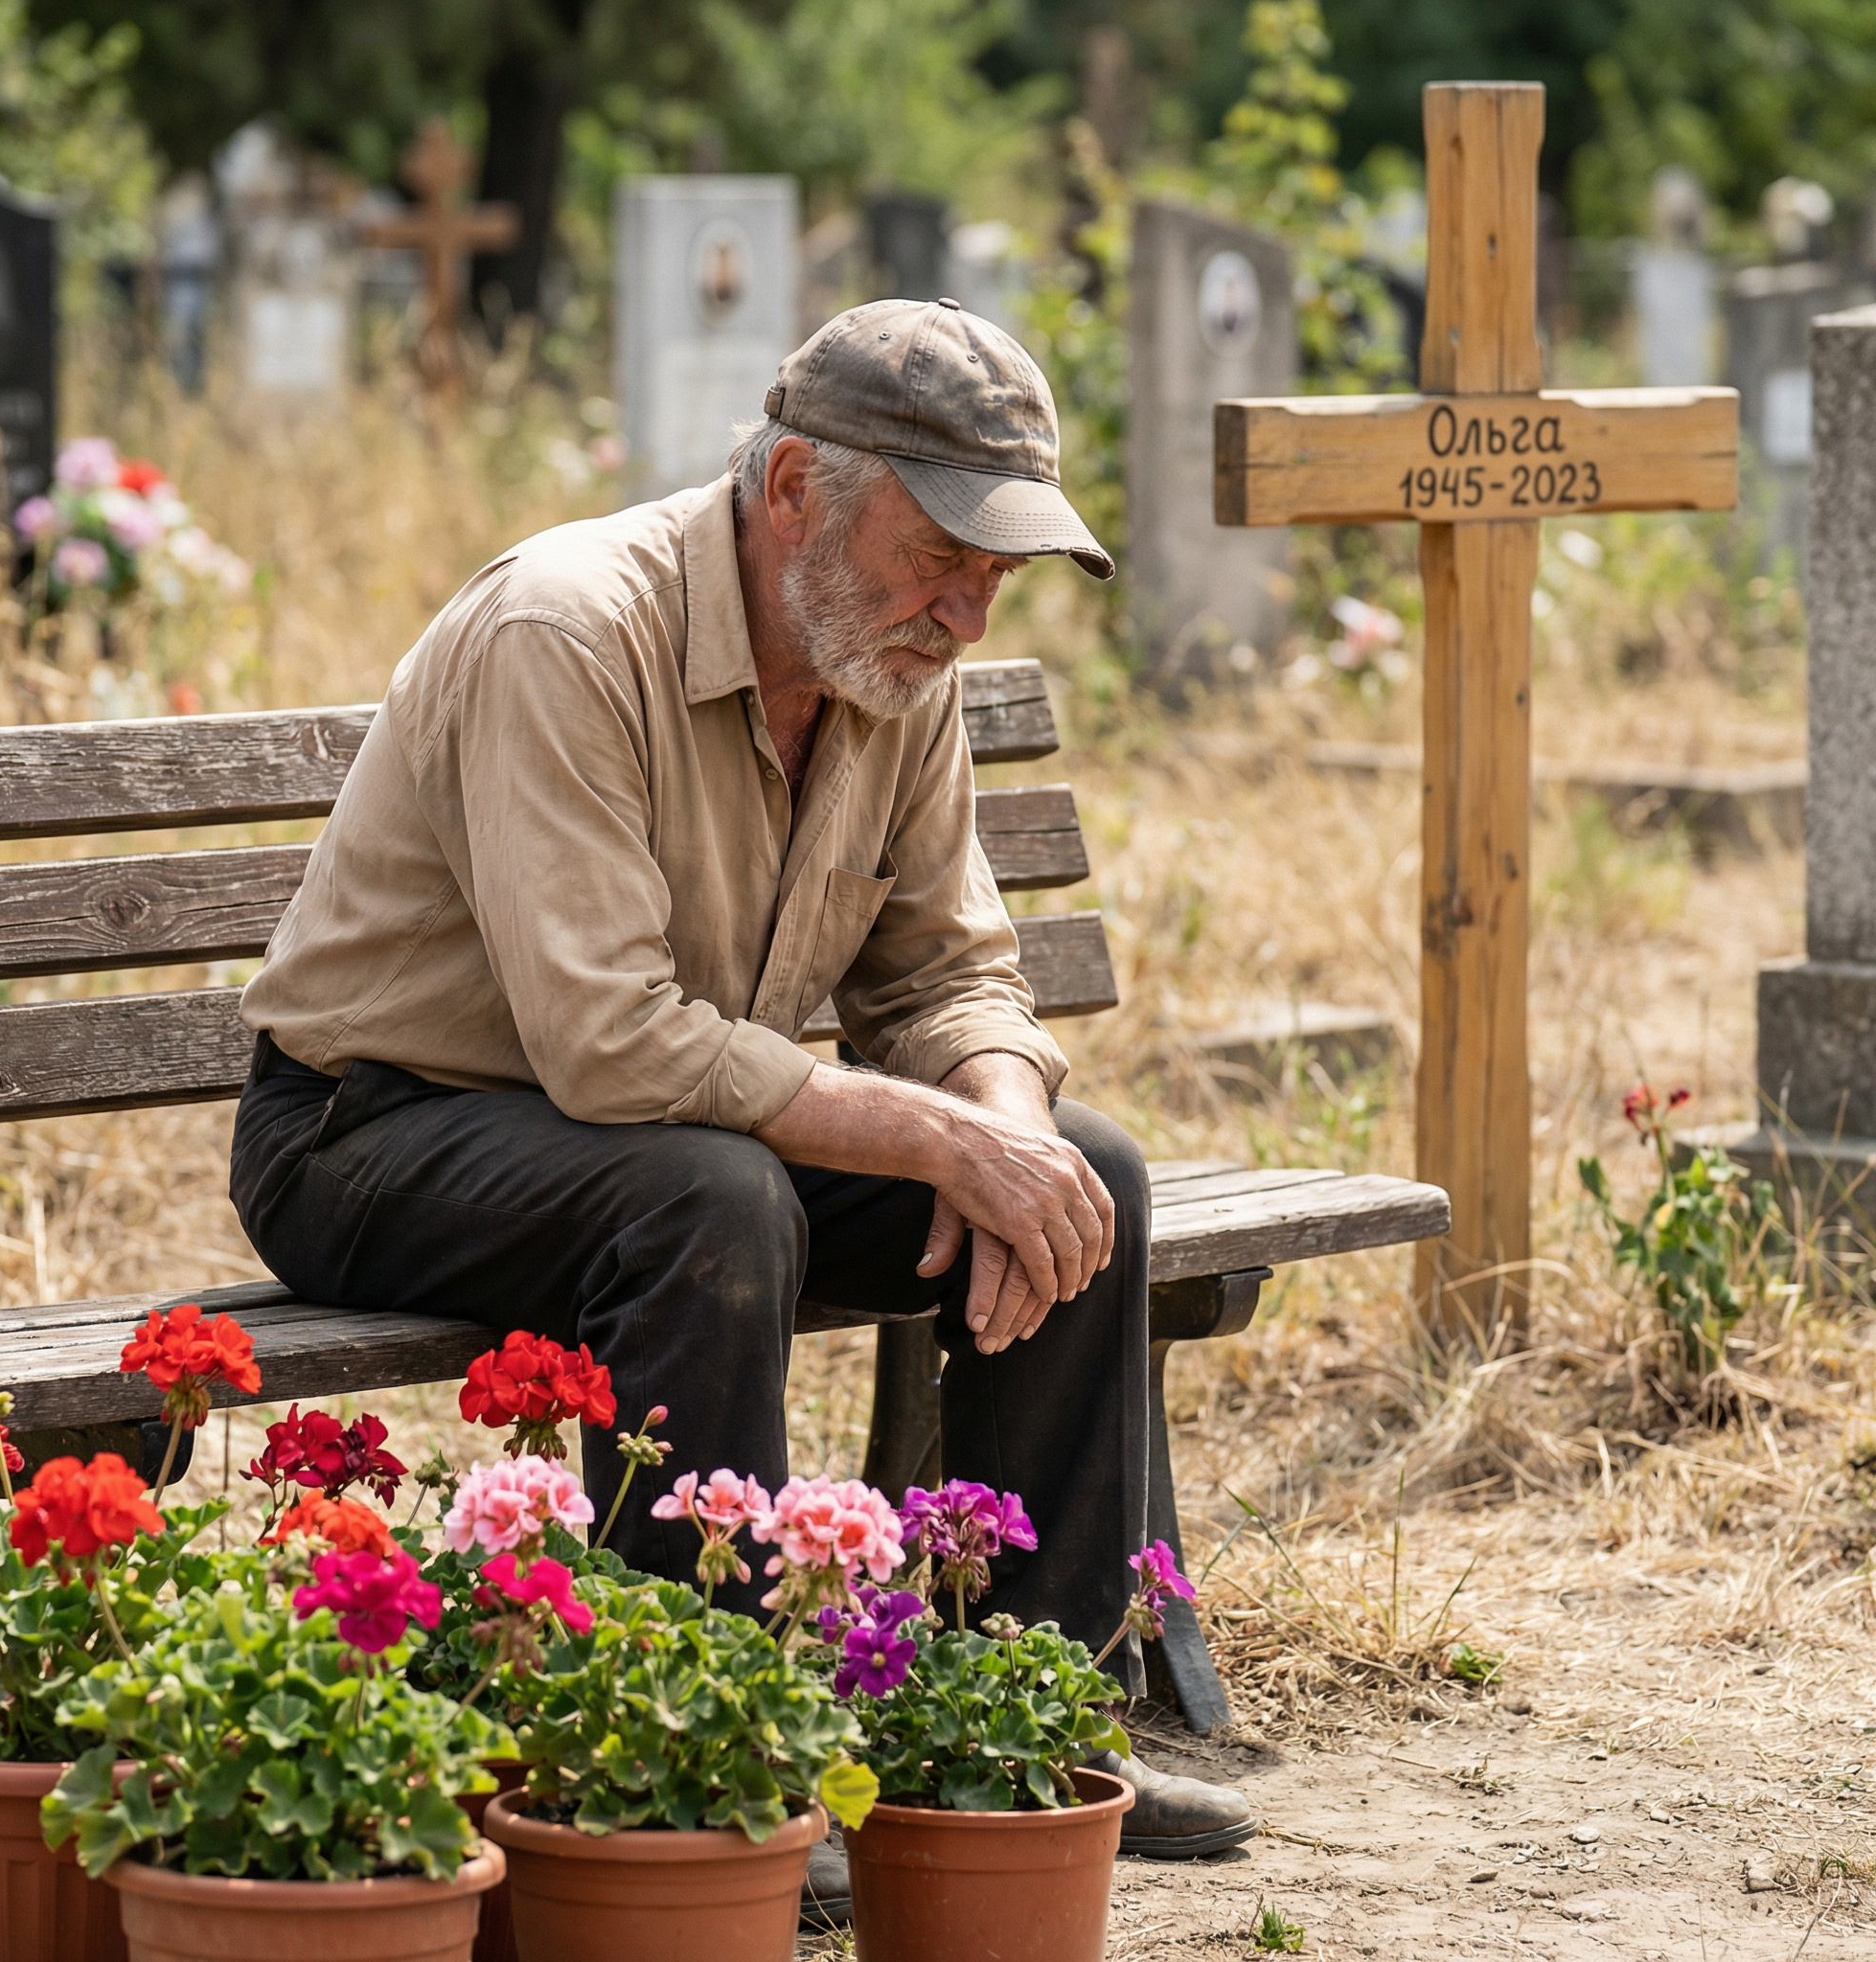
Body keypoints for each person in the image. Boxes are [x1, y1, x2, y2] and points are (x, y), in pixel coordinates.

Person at [228, 298, 1257, 1904]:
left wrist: (1007, 1123)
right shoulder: (568, 629)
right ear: (792, 491)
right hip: (373, 1132)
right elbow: (612, 1045)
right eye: (945, 551)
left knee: (1087, 1180)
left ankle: (1006, 1748)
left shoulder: (892, 665)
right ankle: (710, 1765)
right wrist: (939, 1136)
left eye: (1002, 568)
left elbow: (944, 980)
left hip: (661, 1143)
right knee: (712, 1198)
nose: (971, 612)